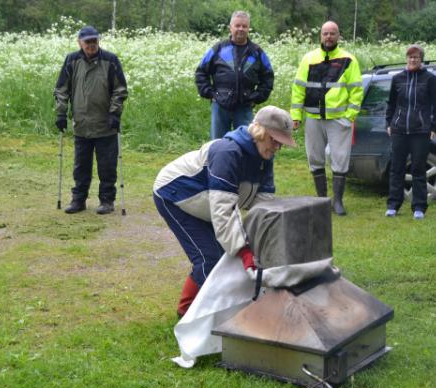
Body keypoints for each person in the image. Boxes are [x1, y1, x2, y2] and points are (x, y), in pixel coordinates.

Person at [153, 106, 295, 317]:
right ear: (260, 132)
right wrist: (245, 251)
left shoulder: (265, 158)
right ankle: (186, 312)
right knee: (209, 258)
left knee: (226, 256)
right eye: (274, 140)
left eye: (281, 143)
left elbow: (264, 205)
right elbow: (223, 211)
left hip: (207, 200)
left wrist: (267, 243)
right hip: (174, 194)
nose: (277, 147)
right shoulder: (228, 153)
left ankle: (217, 307)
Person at [291, 21, 363, 215]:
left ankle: (337, 201)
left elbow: (356, 90)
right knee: (315, 158)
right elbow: (298, 88)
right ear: (320, 36)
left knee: (340, 159)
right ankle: (322, 200)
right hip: (313, 118)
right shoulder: (308, 58)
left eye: (332, 33)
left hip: (339, 119)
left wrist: (350, 116)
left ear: (339, 36)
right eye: (325, 33)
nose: (329, 37)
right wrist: (295, 116)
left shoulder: (349, 59)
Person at [54, 25, 128, 214]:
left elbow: (120, 90)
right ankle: (78, 200)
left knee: (107, 166)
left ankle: (107, 201)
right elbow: (62, 89)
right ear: (80, 42)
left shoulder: (110, 60)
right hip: (81, 124)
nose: (92, 45)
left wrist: (114, 113)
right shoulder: (72, 60)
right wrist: (61, 113)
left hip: (106, 124)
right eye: (88, 42)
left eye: (94, 41)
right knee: (81, 167)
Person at [195, 11, 274, 140]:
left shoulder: (257, 52)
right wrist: (210, 94)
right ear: (230, 28)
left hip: (245, 107)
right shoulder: (218, 49)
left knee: (246, 144)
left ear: (249, 28)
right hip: (220, 106)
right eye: (237, 25)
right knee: (217, 144)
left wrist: (257, 97)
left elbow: (268, 77)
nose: (241, 29)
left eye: (244, 26)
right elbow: (201, 72)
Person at [385, 44, 436, 220]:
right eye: (410, 57)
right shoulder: (397, 78)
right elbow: (391, 103)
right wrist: (389, 123)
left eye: (416, 57)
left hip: (420, 131)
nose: (412, 60)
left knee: (418, 169)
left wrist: (433, 127)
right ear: (406, 59)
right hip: (399, 130)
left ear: (421, 59)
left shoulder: (429, 79)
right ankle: (393, 205)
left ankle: (419, 207)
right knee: (397, 168)